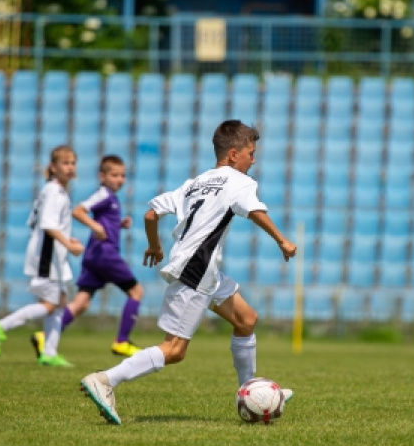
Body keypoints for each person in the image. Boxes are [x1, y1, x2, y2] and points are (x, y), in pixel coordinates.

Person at [80, 119, 296, 425]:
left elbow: (151, 213)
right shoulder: (240, 181)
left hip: (201, 268)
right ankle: (105, 380)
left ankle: (250, 391)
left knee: (246, 320)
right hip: (198, 268)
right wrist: (282, 240)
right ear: (233, 155)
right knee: (175, 349)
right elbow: (255, 211)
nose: (254, 159)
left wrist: (155, 246)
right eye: (251, 153)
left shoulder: (196, 182)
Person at [30, 154, 144, 359]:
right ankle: (122, 342)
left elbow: (103, 223)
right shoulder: (103, 194)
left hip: (94, 256)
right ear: (102, 176)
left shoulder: (111, 198)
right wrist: (94, 225)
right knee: (136, 292)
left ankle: (44, 337)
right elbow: (79, 211)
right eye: (115, 175)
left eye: (123, 175)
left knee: (81, 302)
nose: (120, 179)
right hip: (105, 254)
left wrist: (118, 225)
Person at [0, 145, 83, 367]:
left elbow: (35, 222)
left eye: (73, 163)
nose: (70, 167)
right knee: (51, 304)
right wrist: (68, 243)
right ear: (53, 167)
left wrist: (68, 240)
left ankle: (49, 351)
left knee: (60, 302)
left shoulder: (55, 190)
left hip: (51, 255)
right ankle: (1, 325)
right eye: (65, 163)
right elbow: (47, 224)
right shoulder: (54, 191)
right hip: (47, 257)